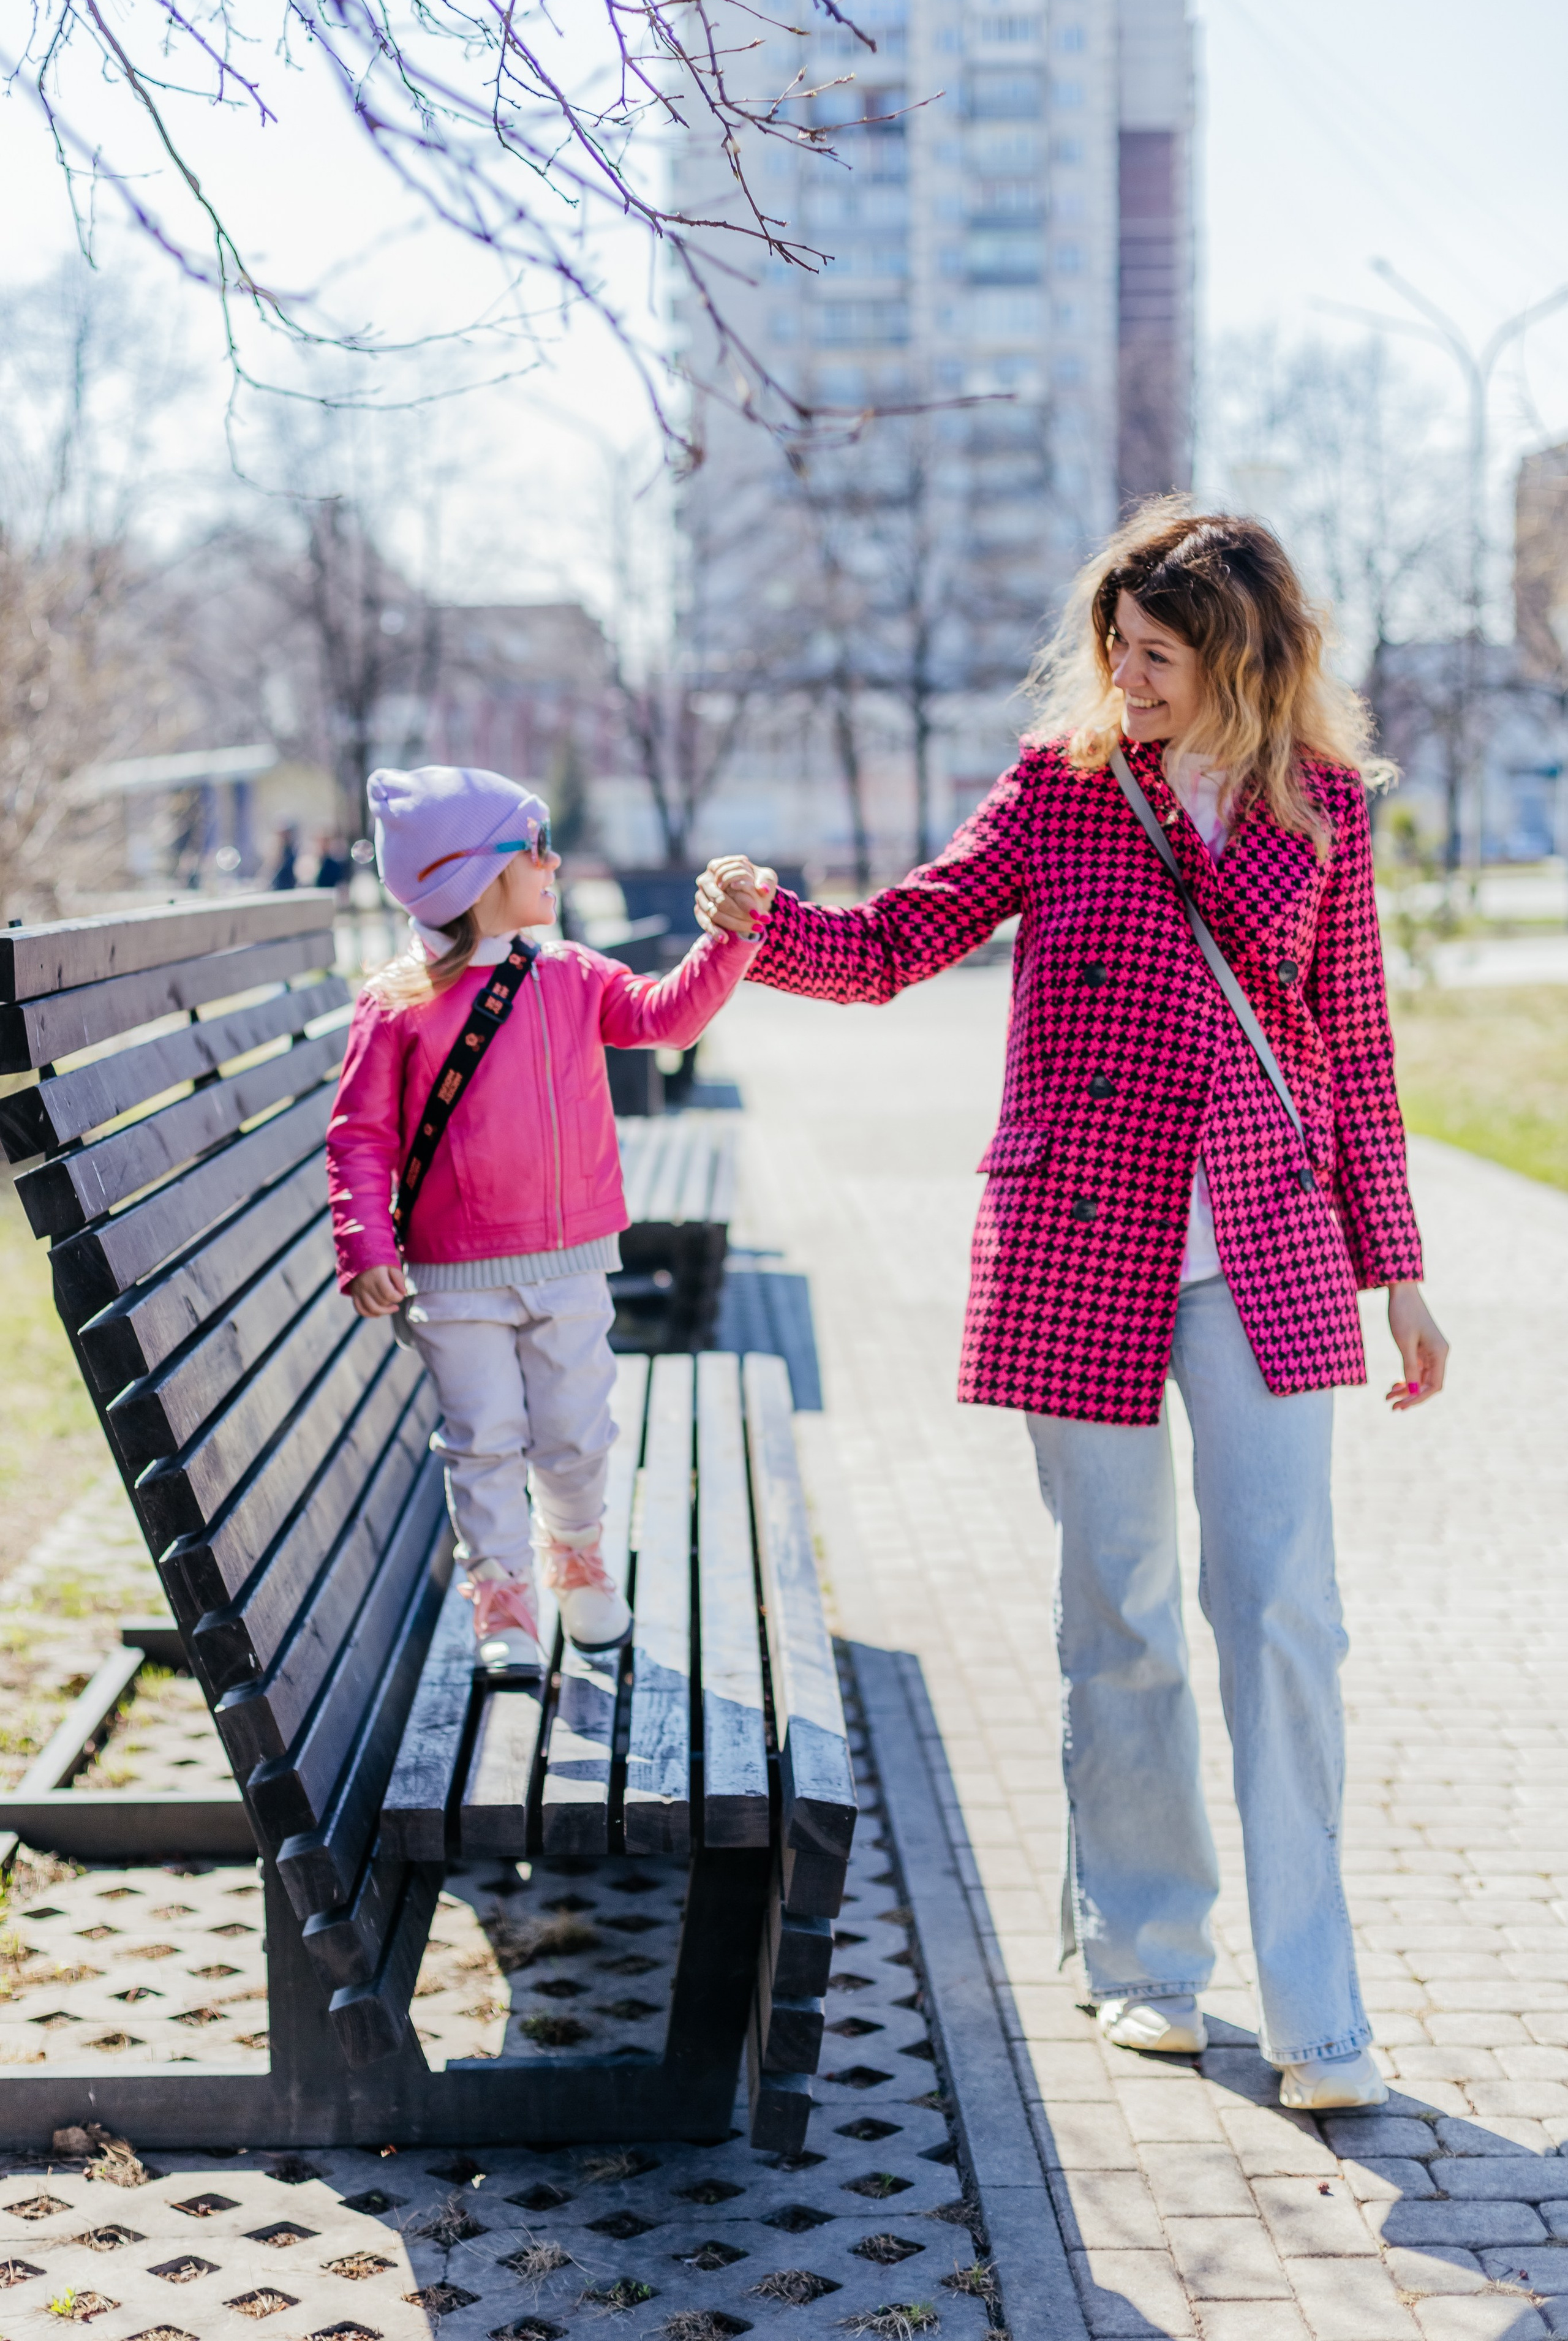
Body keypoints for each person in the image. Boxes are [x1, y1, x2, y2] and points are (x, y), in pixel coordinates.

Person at [695, 505, 1449, 2115]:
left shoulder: (1321, 809)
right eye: (1115, 644)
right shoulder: (1059, 786)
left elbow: (1359, 1052)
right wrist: (770, 928)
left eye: (1159, 651)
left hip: (1266, 1246)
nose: (1126, 673)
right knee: (1118, 1618)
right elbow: (901, 941)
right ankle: (1148, 1962)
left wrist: (1403, 1272)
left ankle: (1321, 2011)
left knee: (1283, 1618)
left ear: (1241, 658)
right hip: (1078, 1240)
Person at [326, 763, 758, 1678]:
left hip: (570, 1260)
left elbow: (665, 1017)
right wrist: (365, 1242)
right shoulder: (396, 1003)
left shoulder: (569, 974)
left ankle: (577, 1555)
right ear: (477, 875)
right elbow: (360, 1136)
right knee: (480, 1442)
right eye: (536, 847)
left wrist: (726, 941)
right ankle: (505, 1597)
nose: (554, 861)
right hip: (452, 1275)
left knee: (574, 1431)